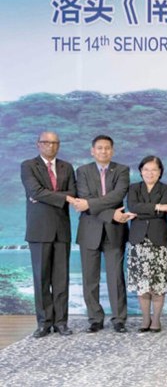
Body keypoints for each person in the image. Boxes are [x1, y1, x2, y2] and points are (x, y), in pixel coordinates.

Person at [73, 135, 132, 333]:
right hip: (90, 229)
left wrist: (89, 204)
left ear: (112, 151)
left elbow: (118, 195)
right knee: (90, 278)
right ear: (92, 151)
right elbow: (83, 198)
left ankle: (119, 319)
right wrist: (110, 213)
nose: (103, 151)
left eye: (107, 148)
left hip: (114, 231)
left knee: (116, 277)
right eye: (99, 148)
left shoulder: (122, 170)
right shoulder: (82, 171)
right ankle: (95, 318)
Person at [20, 131, 76, 338]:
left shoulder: (67, 167)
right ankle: (44, 323)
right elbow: (35, 191)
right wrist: (61, 197)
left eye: (54, 143)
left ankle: (61, 322)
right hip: (39, 229)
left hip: (62, 230)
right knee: (41, 278)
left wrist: (46, 196)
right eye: (46, 142)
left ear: (59, 145)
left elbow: (73, 193)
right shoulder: (28, 166)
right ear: (38, 144)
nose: (50, 146)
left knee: (61, 279)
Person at [126, 155, 167, 333]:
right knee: (142, 284)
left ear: (160, 172)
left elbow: (163, 211)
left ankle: (156, 320)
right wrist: (156, 207)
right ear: (140, 171)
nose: (149, 173)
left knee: (158, 283)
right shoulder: (133, 188)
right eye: (146, 169)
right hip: (138, 241)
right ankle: (145, 319)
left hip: (158, 242)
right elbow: (133, 207)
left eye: (154, 169)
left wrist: (146, 210)